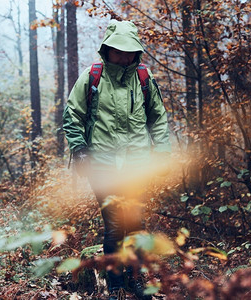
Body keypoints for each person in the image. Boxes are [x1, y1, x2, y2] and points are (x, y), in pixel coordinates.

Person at [63, 20, 171, 300]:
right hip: (103, 164)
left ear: (136, 53)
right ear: (107, 50)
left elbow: (158, 118)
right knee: (114, 225)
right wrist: (80, 149)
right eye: (117, 51)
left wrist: (162, 152)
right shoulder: (92, 77)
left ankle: (136, 280)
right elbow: (71, 116)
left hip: (136, 165)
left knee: (135, 222)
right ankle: (115, 285)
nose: (123, 56)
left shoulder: (145, 79)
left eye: (128, 51)